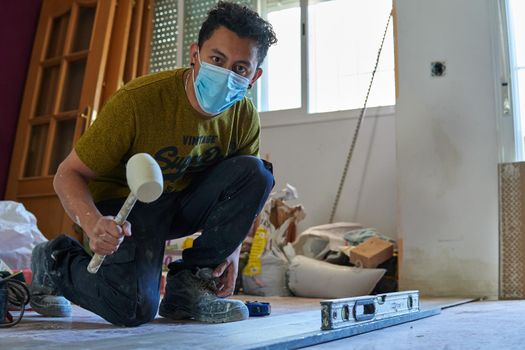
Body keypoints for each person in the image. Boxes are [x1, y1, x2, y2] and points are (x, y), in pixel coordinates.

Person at [29, 1, 277, 327]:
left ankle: (189, 285)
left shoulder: (244, 116)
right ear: (195, 54)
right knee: (132, 309)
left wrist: (228, 251)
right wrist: (92, 223)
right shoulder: (139, 101)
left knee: (257, 172)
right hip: (126, 208)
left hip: (179, 205)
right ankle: (56, 261)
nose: (227, 74)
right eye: (217, 59)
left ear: (254, 76)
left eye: (240, 68)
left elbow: (243, 190)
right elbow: (67, 174)